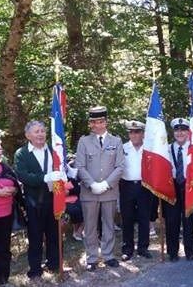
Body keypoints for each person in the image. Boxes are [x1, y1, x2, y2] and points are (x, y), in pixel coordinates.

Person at [75, 106, 124, 271]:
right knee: (90, 226)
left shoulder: (116, 141)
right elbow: (80, 166)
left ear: (106, 122)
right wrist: (93, 184)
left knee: (109, 224)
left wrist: (105, 184)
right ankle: (92, 257)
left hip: (109, 191)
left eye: (101, 122)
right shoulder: (84, 141)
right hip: (89, 192)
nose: (98, 125)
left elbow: (120, 167)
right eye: (94, 122)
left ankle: (109, 255)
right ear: (91, 124)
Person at [14, 121, 63, 278]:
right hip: (33, 201)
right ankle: (35, 270)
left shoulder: (54, 150)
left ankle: (54, 264)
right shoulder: (21, 154)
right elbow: (24, 176)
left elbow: (61, 167)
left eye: (42, 131)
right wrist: (45, 177)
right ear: (28, 135)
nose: (41, 134)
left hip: (53, 198)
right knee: (35, 236)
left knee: (53, 234)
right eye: (36, 131)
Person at [163, 118, 193, 261]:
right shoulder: (167, 149)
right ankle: (173, 252)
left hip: (189, 187)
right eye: (177, 130)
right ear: (173, 132)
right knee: (172, 220)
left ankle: (189, 251)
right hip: (172, 186)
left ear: (188, 132)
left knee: (189, 220)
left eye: (183, 130)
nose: (180, 133)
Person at [119, 120, 153, 261]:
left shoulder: (149, 149)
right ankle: (128, 248)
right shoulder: (123, 148)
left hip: (144, 186)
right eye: (131, 132)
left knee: (144, 217)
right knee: (127, 218)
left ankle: (143, 248)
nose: (134, 135)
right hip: (126, 186)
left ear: (143, 134)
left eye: (137, 132)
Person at [0, 137, 20, 286]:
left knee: (3, 249)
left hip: (6, 216)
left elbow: (16, 185)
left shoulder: (5, 168)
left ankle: (3, 279)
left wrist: (13, 189)